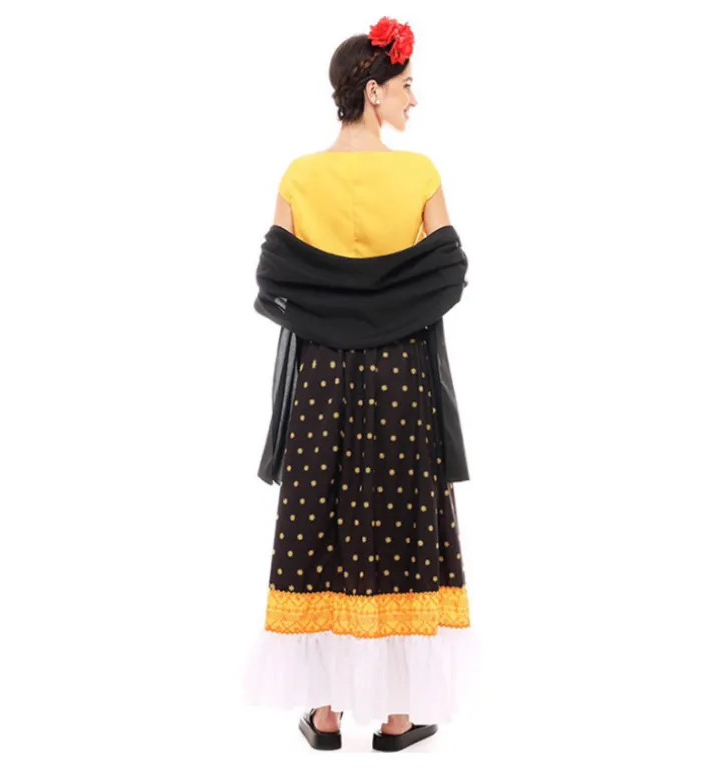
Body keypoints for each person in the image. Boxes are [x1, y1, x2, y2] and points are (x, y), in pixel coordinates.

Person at [243, 16, 481, 752]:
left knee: (320, 519)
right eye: (405, 85)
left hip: (321, 370)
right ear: (373, 92)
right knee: (402, 523)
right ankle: (399, 718)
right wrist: (389, 301)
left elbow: (276, 277)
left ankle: (324, 715)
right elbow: (449, 272)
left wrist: (334, 306)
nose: (413, 98)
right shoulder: (419, 174)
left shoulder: (299, 176)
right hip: (401, 370)